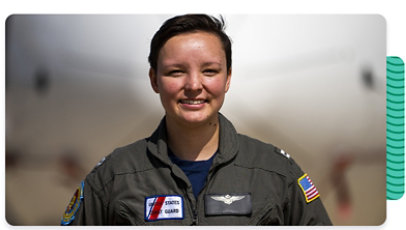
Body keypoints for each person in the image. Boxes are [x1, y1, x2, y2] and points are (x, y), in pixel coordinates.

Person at [61, 14, 332, 225]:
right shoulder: (115, 177)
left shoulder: (275, 173)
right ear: (154, 79)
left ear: (227, 78)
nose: (193, 85)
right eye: (176, 72)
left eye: (210, 71)